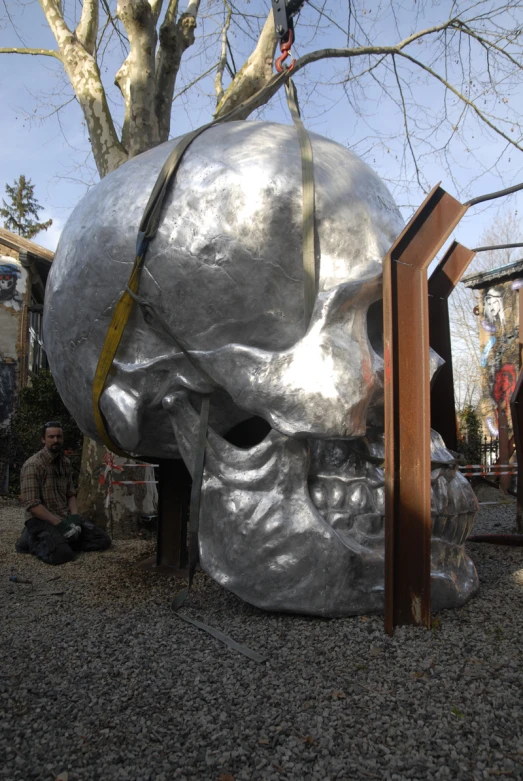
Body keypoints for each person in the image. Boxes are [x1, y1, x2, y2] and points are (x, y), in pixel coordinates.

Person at [16, 421, 111, 565]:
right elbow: (32, 504)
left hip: (63, 516)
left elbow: (70, 493)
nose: (55, 440)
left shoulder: (65, 462)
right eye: (51, 437)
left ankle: (57, 540)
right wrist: (62, 526)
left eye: (58, 437)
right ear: (43, 439)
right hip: (40, 519)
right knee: (63, 555)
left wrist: (74, 519)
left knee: (103, 540)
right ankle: (30, 541)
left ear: (62, 438)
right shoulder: (33, 465)